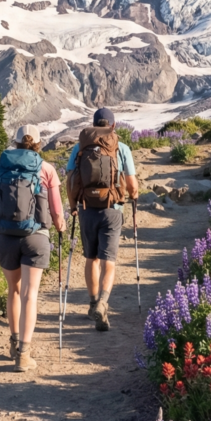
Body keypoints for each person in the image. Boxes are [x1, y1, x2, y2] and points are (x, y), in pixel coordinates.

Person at [0, 124, 65, 373]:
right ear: (38, 143)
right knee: (31, 294)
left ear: (16, 143)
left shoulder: (0, 167)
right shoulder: (47, 169)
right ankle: (24, 353)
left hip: (6, 236)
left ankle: (12, 342)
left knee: (14, 291)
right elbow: (56, 210)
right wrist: (60, 226)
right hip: (36, 237)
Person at [65, 107, 138, 331]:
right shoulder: (121, 147)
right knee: (109, 261)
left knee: (91, 258)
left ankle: (92, 302)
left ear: (94, 124)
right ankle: (103, 303)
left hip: (87, 208)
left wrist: (73, 205)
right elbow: (132, 185)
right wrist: (134, 195)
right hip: (112, 209)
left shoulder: (80, 148)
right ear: (113, 126)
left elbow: (69, 180)